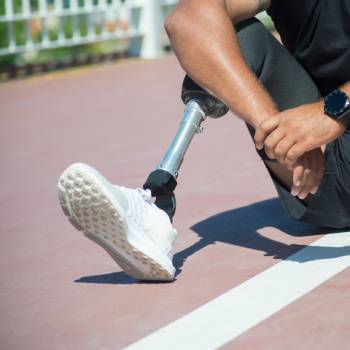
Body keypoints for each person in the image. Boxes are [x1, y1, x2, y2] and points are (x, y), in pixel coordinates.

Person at [58, 0, 350, 281]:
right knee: (231, 36)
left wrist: (332, 113)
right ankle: (155, 207)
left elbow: (329, 114)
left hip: (331, 119)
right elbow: (187, 19)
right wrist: (278, 131)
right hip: (322, 169)